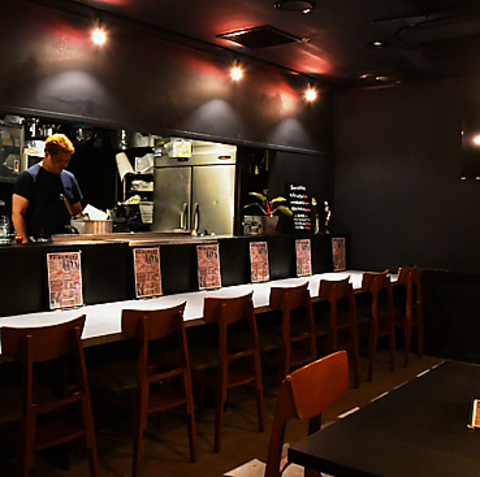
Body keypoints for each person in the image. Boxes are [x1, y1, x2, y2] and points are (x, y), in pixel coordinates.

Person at [12, 133, 83, 243]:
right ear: (47, 154)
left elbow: (77, 212)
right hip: (37, 242)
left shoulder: (69, 178)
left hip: (65, 241)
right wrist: (24, 241)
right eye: (60, 161)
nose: (64, 165)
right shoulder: (28, 178)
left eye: (67, 161)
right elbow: (17, 213)